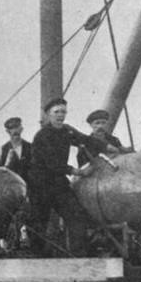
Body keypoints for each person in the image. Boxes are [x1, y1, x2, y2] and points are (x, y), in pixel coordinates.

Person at [27, 97, 102, 255]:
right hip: (40, 185)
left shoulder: (67, 131)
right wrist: (80, 172)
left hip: (58, 183)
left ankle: (78, 257)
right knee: (38, 224)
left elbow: (87, 140)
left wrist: (117, 148)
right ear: (48, 114)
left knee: (76, 217)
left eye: (63, 112)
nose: (60, 115)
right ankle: (36, 260)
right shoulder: (42, 135)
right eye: (56, 112)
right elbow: (53, 164)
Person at [0, 116, 33, 182]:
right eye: (11, 128)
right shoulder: (1, 151)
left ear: (21, 129)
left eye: (17, 127)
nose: (15, 131)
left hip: (29, 188)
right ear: (7, 131)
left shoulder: (31, 148)